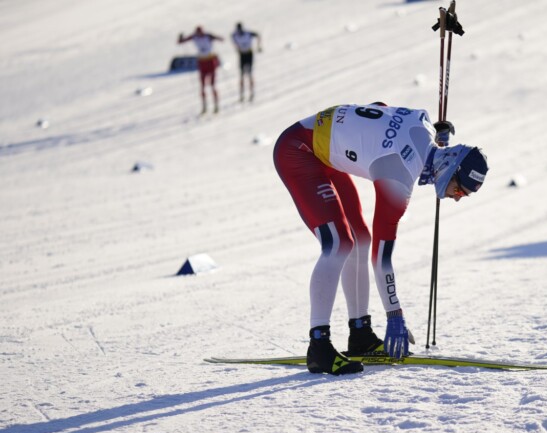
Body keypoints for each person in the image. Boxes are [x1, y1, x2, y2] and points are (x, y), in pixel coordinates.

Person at [273, 103, 489, 375]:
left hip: (324, 152)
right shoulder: (399, 179)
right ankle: (319, 346)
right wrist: (394, 314)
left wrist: (436, 141)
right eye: (460, 190)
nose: (457, 198)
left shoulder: (422, 121)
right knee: (338, 244)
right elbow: (381, 258)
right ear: (449, 167)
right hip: (298, 150)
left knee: (360, 239)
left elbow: (380, 110)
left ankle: (360, 334)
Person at [178, 26, 224, 114]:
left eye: (200, 32)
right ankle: (204, 106)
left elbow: (221, 39)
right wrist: (180, 38)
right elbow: (181, 42)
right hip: (202, 62)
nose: (199, 34)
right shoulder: (194, 37)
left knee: (213, 85)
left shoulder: (208, 36)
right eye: (198, 33)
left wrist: (214, 37)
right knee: (202, 86)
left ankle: (216, 105)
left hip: (210, 61)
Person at [231, 22, 263, 103]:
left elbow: (258, 35)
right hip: (242, 55)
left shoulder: (248, 33)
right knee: (242, 75)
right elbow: (233, 40)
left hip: (249, 54)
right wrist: (237, 48)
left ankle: (251, 93)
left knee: (249, 74)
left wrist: (259, 46)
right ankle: (242, 95)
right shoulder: (235, 35)